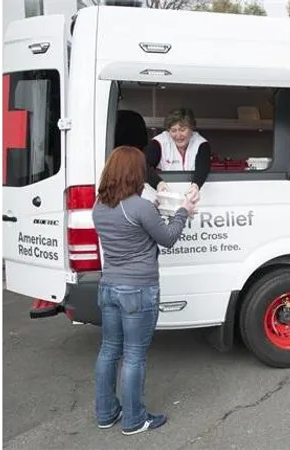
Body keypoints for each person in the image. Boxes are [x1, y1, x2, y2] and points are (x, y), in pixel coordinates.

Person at [92, 146, 198, 435]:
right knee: (134, 355)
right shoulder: (139, 207)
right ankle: (134, 420)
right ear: (134, 173)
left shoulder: (98, 206)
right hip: (138, 290)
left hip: (109, 287)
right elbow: (168, 239)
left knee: (109, 351)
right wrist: (182, 212)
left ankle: (105, 413)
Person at [144, 107, 211, 197]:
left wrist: (196, 186)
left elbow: (203, 167)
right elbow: (141, 165)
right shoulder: (160, 142)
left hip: (191, 198)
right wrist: (158, 183)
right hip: (166, 196)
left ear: (192, 128)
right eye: (173, 130)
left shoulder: (201, 144)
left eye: (182, 130)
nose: (178, 135)